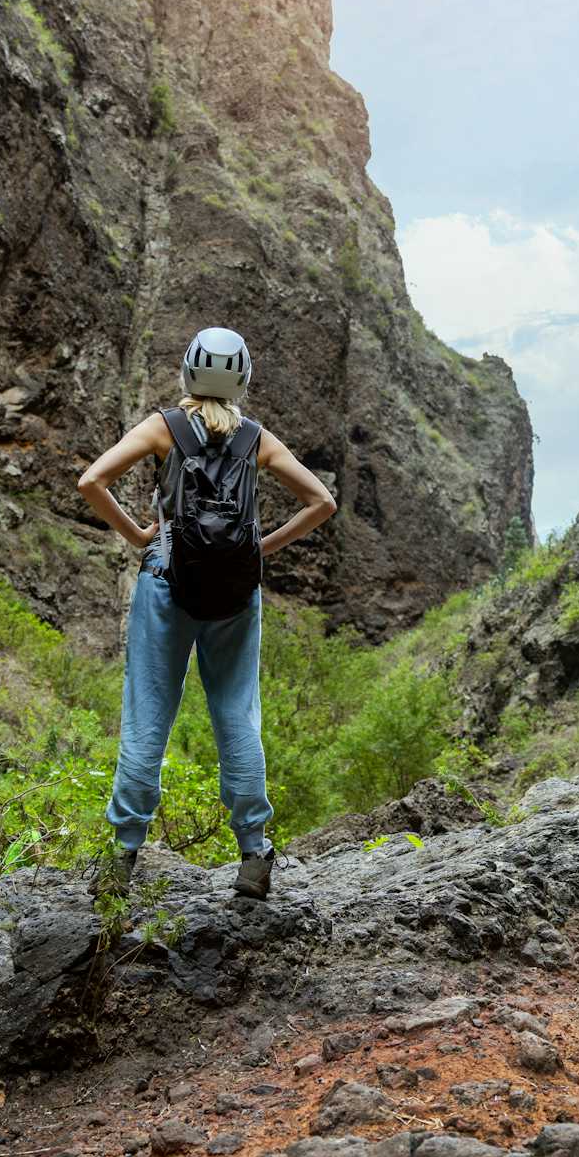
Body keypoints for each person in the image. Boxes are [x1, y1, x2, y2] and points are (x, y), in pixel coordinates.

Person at [74, 327, 336, 901]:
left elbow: (92, 481)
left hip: (166, 576)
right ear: (243, 378)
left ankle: (122, 857)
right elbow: (322, 502)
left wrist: (139, 533)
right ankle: (253, 854)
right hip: (237, 590)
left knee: (148, 717)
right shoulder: (256, 439)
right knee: (237, 716)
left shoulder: (162, 428)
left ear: (189, 371)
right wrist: (260, 546)